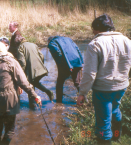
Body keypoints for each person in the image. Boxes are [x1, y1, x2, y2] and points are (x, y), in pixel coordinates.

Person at [76, 14, 131, 145]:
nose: (92, 33)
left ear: (97, 29)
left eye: (93, 30)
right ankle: (117, 137)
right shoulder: (127, 40)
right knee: (115, 109)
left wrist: (82, 93)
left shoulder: (94, 44)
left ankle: (105, 140)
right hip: (122, 86)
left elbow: (89, 74)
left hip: (103, 89)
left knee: (103, 124)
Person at [0, 42, 41, 145]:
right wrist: (35, 96)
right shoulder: (11, 62)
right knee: (10, 130)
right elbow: (23, 82)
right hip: (9, 101)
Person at [15, 34, 54, 108]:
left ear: (17, 43)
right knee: (34, 82)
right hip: (41, 69)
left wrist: (21, 74)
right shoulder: (33, 44)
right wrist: (40, 65)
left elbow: (22, 63)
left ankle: (32, 105)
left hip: (32, 71)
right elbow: (41, 56)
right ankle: (48, 91)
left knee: (30, 84)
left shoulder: (20, 47)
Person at [48, 36, 83, 103]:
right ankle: (85, 100)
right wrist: (81, 63)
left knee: (59, 83)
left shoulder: (52, 43)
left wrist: (65, 66)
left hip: (66, 64)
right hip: (77, 61)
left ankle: (59, 102)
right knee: (77, 83)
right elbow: (77, 49)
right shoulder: (68, 39)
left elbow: (58, 54)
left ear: (49, 41)